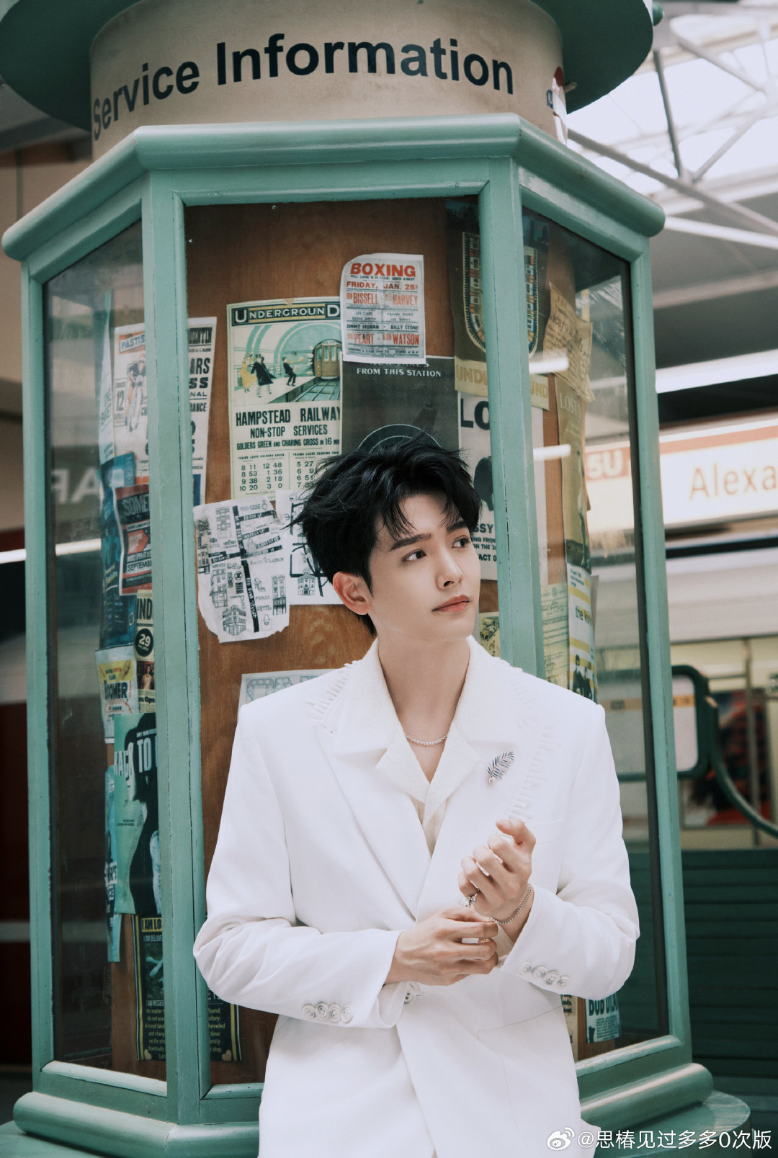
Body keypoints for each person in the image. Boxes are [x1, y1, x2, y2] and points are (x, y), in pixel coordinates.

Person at [193, 439, 639, 1158]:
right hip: (341, 1124)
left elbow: (611, 954)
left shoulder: (567, 727)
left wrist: (524, 913)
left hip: (512, 1121)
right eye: (413, 554)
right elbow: (231, 949)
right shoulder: (280, 733)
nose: (452, 570)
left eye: (458, 541)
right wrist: (393, 958)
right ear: (354, 592)